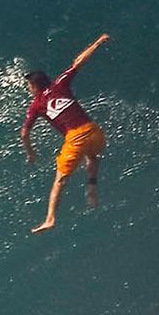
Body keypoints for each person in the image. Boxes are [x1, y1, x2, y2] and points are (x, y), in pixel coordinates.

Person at [21, 33, 111, 233]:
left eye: (29, 86)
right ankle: (91, 187)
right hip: (95, 132)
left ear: (35, 86)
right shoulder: (60, 83)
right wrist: (96, 43)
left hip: (75, 138)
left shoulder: (36, 105)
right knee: (92, 156)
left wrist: (30, 152)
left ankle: (50, 219)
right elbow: (78, 62)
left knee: (60, 180)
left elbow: (24, 133)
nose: (29, 89)